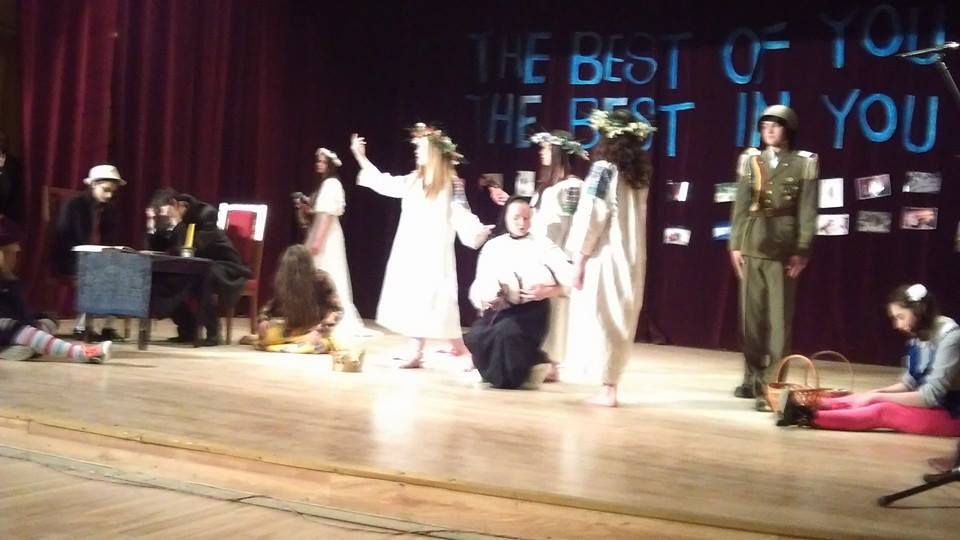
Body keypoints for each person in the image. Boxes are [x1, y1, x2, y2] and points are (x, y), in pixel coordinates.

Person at [350, 124, 492, 368]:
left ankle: (436, 351)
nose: (416, 151)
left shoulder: (451, 183)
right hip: (411, 249)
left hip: (434, 253)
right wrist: (361, 157)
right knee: (418, 299)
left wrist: (477, 230)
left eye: (421, 147)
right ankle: (442, 348)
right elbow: (386, 183)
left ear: (434, 153)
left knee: (437, 300)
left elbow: (461, 212)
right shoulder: (415, 180)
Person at [729, 105, 819, 412]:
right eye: (764, 125)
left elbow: (807, 210)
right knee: (750, 320)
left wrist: (802, 249)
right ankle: (752, 378)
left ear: (788, 130)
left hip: (783, 248)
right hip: (752, 242)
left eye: (775, 125)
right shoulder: (751, 160)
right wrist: (735, 244)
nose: (768, 130)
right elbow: (741, 205)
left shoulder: (803, 163)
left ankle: (772, 385)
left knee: (779, 323)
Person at [779, 284, 960, 436]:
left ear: (918, 312)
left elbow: (930, 396)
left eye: (901, 317)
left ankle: (805, 416)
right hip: (935, 405)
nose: (897, 325)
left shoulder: (950, 337)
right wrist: (874, 393)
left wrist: (878, 397)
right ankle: (804, 404)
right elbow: (910, 382)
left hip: (953, 413)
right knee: (866, 397)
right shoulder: (919, 332)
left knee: (883, 411)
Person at [566, 109, 654, 407]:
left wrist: (580, 258)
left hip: (606, 254)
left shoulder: (603, 170)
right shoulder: (639, 174)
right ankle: (611, 383)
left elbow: (593, 214)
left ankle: (607, 388)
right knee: (620, 317)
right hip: (632, 255)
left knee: (604, 315)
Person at [484, 130, 587, 380]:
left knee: (557, 310)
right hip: (538, 256)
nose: (542, 152)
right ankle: (539, 357)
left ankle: (554, 362)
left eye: (546, 148)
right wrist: (513, 203)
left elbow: (572, 225)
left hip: (559, 255)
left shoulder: (572, 187)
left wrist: (570, 265)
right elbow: (536, 219)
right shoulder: (547, 187)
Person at [464, 196, 572, 389]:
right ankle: (505, 370)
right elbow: (480, 283)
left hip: (531, 312)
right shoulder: (493, 246)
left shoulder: (542, 244)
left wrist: (548, 291)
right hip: (500, 310)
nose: (522, 223)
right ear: (506, 217)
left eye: (526, 218)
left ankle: (524, 367)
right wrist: (487, 298)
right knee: (478, 335)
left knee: (507, 334)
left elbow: (570, 276)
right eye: (516, 218)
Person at [146, 190, 251, 345]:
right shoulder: (182, 223)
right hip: (198, 264)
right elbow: (167, 248)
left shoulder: (206, 215)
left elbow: (198, 246)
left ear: (178, 205)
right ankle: (187, 328)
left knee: (203, 276)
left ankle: (213, 332)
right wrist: (152, 226)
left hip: (225, 265)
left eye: (170, 210)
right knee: (163, 278)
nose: (167, 214)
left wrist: (176, 225)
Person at [0, 229, 110, 363]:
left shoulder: (7, 281)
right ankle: (79, 352)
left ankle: (25, 344)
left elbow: (24, 315)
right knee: (11, 326)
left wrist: (11, 282)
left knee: (48, 318)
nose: (15, 259)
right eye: (11, 253)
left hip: (12, 326)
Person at [50, 164, 126, 342]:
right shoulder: (74, 204)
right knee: (95, 273)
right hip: (71, 257)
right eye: (105, 190)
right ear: (93, 185)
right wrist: (84, 252)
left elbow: (110, 238)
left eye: (112, 191)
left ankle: (108, 327)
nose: (109, 195)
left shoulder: (110, 209)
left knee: (122, 272)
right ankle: (82, 326)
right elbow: (63, 236)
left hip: (99, 258)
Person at [299, 147, 366, 336]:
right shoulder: (327, 184)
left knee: (327, 270)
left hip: (326, 233)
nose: (318, 164)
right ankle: (317, 315)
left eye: (322, 161)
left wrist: (318, 240)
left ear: (329, 165)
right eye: (318, 161)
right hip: (322, 229)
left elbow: (327, 215)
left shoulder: (331, 184)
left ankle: (331, 314)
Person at [255, 245, 343, 353]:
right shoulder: (283, 281)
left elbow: (336, 309)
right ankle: (295, 343)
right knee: (266, 338)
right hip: (292, 328)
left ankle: (297, 344)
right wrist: (263, 320)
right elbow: (268, 307)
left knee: (318, 344)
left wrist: (320, 330)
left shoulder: (321, 279)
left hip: (316, 328)